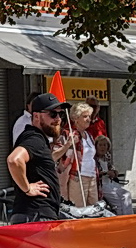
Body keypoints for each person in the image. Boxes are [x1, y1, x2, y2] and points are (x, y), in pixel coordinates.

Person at [9, 92, 68, 223]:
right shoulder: (34, 138)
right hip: (36, 216)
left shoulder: (38, 138)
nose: (58, 119)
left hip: (36, 215)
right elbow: (14, 160)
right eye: (53, 114)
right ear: (36, 116)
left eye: (61, 114)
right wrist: (28, 188)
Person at [58, 101, 101, 209]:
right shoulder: (68, 134)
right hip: (77, 177)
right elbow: (59, 155)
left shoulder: (89, 135)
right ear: (76, 118)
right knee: (79, 209)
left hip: (92, 176)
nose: (88, 119)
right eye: (85, 116)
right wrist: (69, 144)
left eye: (89, 116)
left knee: (94, 210)